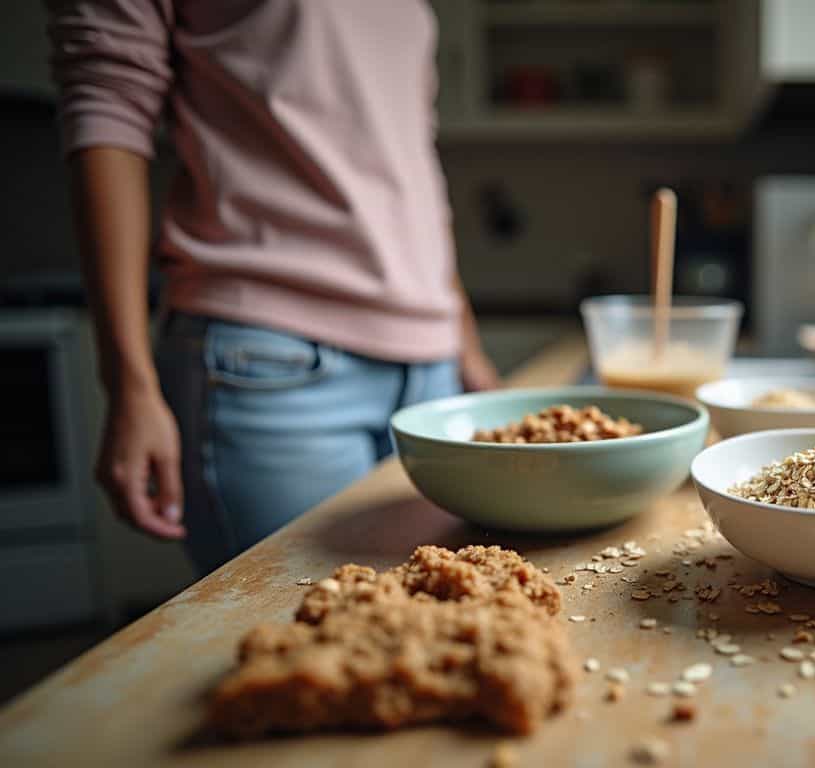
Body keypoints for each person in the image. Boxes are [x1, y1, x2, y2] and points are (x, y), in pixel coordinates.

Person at [48, 0, 499, 574]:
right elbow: (107, 106)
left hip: (432, 364)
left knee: (436, 629)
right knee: (302, 644)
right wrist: (127, 382)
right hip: (270, 364)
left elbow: (406, 156)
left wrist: (461, 337)